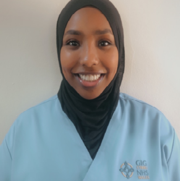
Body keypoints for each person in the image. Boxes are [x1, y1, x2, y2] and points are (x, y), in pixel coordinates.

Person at [0, 0, 180, 180]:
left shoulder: (156, 130)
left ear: (120, 50)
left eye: (103, 43)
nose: (88, 59)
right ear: (58, 50)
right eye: (73, 42)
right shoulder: (23, 132)